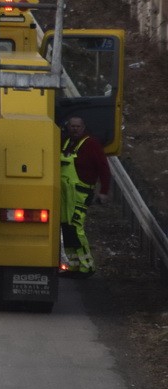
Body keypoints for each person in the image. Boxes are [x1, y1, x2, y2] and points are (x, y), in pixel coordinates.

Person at [60, 116, 110, 277]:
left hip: (80, 194)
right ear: (68, 127)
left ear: (83, 127)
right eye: (72, 126)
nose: (75, 129)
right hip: (65, 193)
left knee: (76, 227)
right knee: (66, 227)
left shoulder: (91, 144)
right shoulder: (66, 142)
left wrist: (104, 191)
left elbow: (104, 168)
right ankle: (74, 265)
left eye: (78, 126)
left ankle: (87, 266)